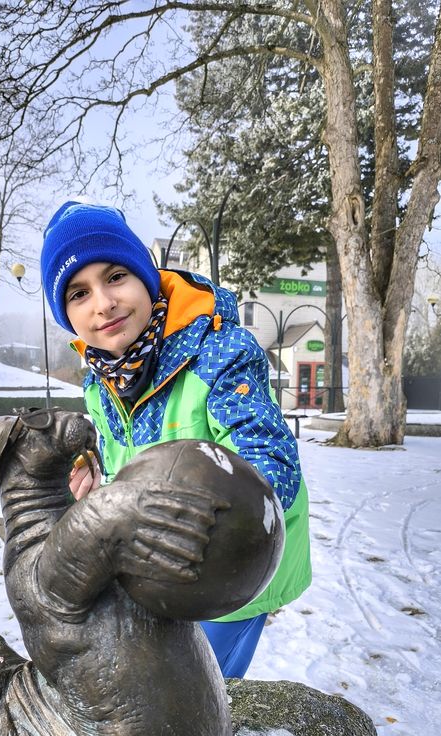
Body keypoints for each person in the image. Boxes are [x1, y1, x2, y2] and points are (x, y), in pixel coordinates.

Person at [40, 200, 311, 678]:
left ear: (146, 275)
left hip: (235, 562)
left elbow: (271, 463)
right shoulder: (100, 381)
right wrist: (95, 475)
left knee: (199, 688)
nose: (103, 303)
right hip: (161, 564)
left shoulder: (218, 352)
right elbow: (119, 455)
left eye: (116, 276)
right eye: (78, 293)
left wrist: (191, 515)